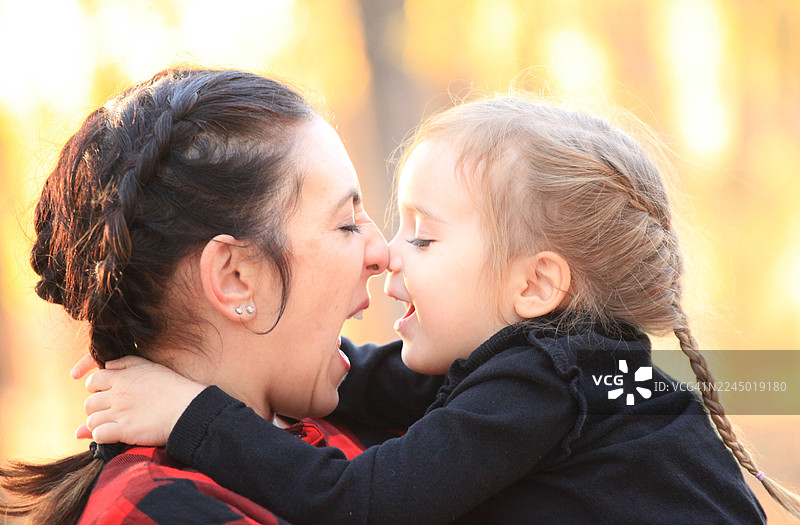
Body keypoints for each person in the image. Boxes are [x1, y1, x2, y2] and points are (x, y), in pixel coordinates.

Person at [78, 95, 800, 524]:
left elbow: (363, 504)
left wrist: (191, 411)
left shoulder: (547, 384)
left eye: (422, 234)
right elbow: (379, 379)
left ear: (535, 287)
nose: (389, 253)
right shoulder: (580, 372)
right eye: (353, 223)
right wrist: (160, 357)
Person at [0, 66, 444, 524]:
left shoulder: (376, 433)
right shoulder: (159, 509)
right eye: (347, 223)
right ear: (235, 277)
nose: (382, 253)